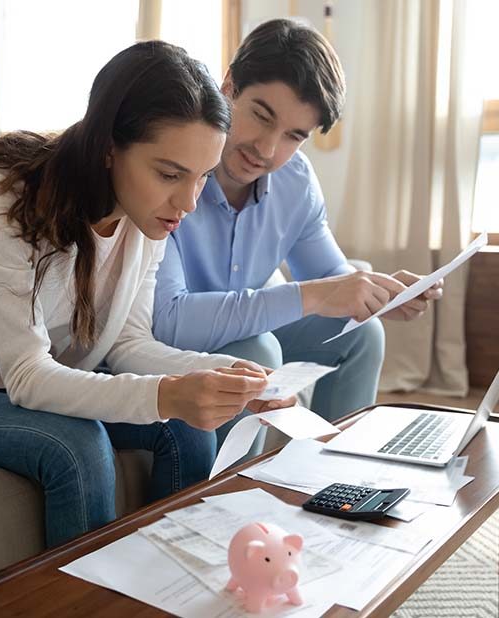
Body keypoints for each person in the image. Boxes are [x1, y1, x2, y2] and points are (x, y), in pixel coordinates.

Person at [0, 41, 291, 549]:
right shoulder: (1, 197)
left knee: (186, 428)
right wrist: (167, 393)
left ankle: (176, 585)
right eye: (169, 174)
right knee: (77, 445)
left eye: (202, 176)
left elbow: (126, 343)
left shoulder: (146, 220)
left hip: (36, 381)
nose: (188, 202)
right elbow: (28, 376)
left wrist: (219, 375)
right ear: (107, 147)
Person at [153, 19, 443, 441]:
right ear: (228, 86)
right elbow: (169, 321)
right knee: (256, 351)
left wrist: (377, 296)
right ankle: (233, 501)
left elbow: (331, 277)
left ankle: (335, 481)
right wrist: (318, 295)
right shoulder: (174, 168)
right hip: (171, 343)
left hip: (240, 331)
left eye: (293, 136)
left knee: (362, 334)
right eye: (261, 116)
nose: (267, 149)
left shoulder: (296, 183)